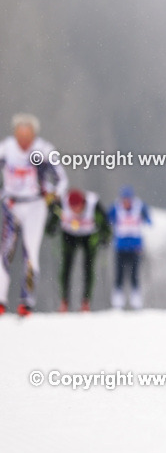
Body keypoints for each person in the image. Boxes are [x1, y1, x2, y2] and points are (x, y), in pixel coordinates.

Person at [0, 114, 68, 315]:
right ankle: (1, 300)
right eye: (20, 136)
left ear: (34, 135)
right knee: (5, 253)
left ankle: (26, 301)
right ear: (14, 134)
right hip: (12, 205)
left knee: (30, 251)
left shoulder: (44, 150)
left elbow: (62, 179)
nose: (23, 141)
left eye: (27, 136)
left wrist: (54, 195)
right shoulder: (6, 148)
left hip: (35, 205)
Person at [46, 188, 112, 312]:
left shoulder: (93, 204)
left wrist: (105, 237)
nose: (75, 211)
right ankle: (64, 301)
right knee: (66, 269)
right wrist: (51, 228)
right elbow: (50, 225)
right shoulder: (62, 204)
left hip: (89, 237)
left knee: (88, 268)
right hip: (69, 236)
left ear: (83, 203)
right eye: (72, 208)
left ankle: (85, 302)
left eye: (77, 207)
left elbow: (105, 222)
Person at [108, 186, 151, 309]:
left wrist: (145, 219)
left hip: (135, 247)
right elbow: (108, 219)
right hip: (120, 247)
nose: (126, 202)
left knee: (134, 275)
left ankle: (136, 302)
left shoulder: (139, 207)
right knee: (119, 275)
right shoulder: (116, 207)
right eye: (124, 199)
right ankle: (118, 302)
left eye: (128, 199)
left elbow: (148, 219)